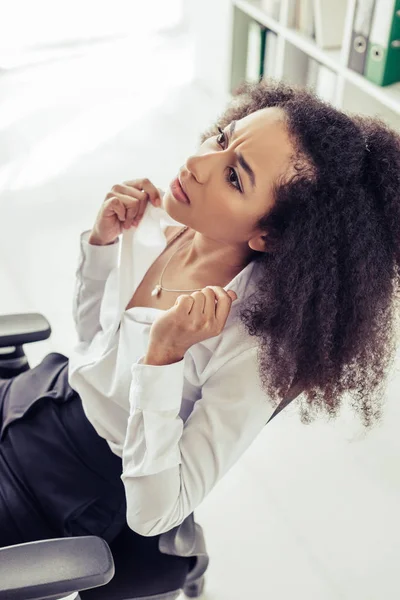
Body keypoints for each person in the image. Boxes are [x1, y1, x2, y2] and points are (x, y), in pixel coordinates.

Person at [0, 79, 399, 552]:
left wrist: (165, 358)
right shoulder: (160, 229)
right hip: (36, 396)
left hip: (65, 485)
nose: (197, 162)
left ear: (268, 235)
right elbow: (93, 343)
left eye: (235, 177)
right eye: (224, 138)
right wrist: (102, 249)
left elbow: (158, 513)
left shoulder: (252, 349)